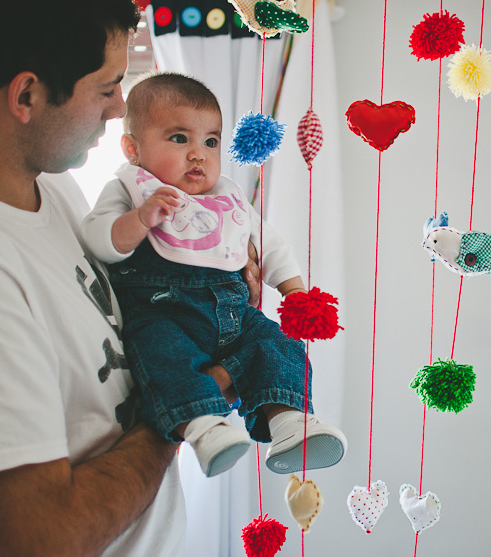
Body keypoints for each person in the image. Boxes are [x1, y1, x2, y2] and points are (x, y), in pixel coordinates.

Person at [0, 2, 257, 555]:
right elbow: (44, 540)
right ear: (26, 96)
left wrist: (208, 291)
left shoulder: (50, 187)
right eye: (108, 87)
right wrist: (190, 405)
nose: (119, 109)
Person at [81, 72, 347, 478]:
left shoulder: (227, 198)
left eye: (210, 141)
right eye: (179, 138)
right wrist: (139, 218)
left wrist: (295, 293)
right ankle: (204, 428)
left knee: (276, 345)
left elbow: (270, 244)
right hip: (164, 314)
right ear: (132, 149)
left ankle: (290, 422)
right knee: (162, 356)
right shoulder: (130, 190)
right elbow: (99, 239)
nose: (198, 154)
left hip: (234, 316)